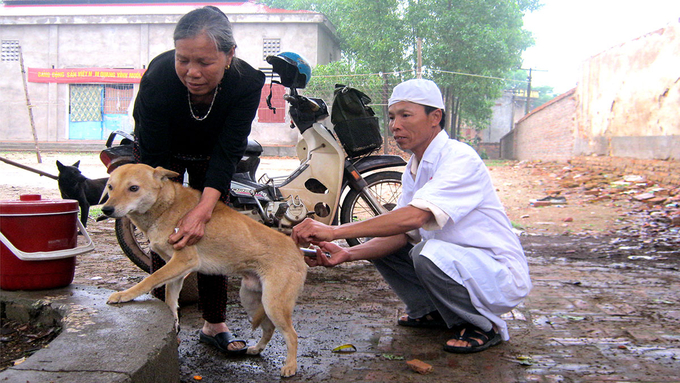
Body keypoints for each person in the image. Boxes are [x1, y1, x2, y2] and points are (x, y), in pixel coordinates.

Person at [292, 78, 532, 353]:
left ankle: (480, 325)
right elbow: (401, 234)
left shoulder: (459, 158)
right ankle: (432, 311)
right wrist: (348, 254)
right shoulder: (413, 169)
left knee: (425, 253)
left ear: (435, 117)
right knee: (385, 238)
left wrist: (334, 231)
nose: (395, 125)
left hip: (495, 273)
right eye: (392, 116)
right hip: (459, 266)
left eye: (406, 115)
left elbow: (415, 218)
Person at [132, 6, 265, 354]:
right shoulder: (160, 76)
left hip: (214, 155)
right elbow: (154, 159)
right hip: (163, 154)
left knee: (211, 232)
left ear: (228, 54)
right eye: (183, 59)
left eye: (204, 62)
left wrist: (204, 209)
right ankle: (163, 324)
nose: (191, 72)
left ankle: (214, 323)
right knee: (165, 234)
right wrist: (170, 209)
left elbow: (228, 151)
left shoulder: (247, 82)